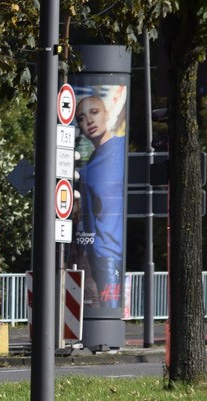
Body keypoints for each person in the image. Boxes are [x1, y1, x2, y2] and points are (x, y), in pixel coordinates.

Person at [74, 94, 126, 308]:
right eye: (81, 118)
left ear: (107, 114)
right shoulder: (88, 166)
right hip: (91, 255)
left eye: (94, 112)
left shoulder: (120, 148)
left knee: (108, 311)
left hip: (110, 255)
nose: (89, 121)